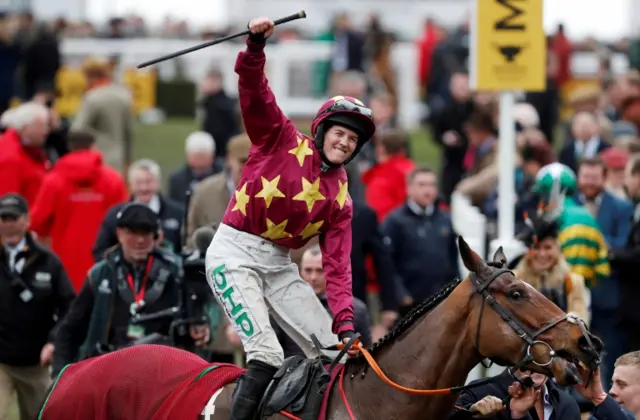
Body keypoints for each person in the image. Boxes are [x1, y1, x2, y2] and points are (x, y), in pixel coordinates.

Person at [204, 17, 376, 420]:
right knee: (265, 354)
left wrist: (345, 324)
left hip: (280, 267)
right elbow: (254, 92)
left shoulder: (341, 200)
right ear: (321, 129)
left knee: (337, 355)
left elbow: (337, 267)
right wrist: (255, 48)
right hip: (233, 254)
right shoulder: (279, 137)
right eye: (340, 133)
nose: (344, 142)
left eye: (352, 140)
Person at [52, 203, 210, 376]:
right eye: (133, 233)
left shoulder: (177, 272)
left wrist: (202, 328)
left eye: (145, 233)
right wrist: (60, 375)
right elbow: (70, 331)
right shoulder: (100, 275)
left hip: (163, 372)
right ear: (119, 234)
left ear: (155, 236)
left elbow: (199, 317)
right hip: (109, 371)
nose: (140, 240)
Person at [0, 193, 75, 420]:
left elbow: (69, 306)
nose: (10, 224)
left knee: (41, 416)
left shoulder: (48, 261)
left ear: (27, 220)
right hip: (1, 361)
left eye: (15, 218)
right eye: (4, 218)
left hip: (36, 363)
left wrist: (53, 341)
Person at [29, 130, 128, 291]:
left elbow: (37, 220)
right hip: (105, 261)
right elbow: (125, 218)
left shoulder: (53, 180)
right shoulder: (113, 180)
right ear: (94, 146)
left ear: (69, 147)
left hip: (64, 261)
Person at [450, 369, 581, 419]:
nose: (537, 361)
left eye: (545, 352)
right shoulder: (479, 392)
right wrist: (471, 413)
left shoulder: (567, 405)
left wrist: (600, 399)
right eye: (530, 350)